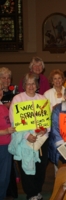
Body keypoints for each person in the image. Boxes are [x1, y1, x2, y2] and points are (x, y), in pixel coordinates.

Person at [9, 73, 49, 200]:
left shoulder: (42, 99)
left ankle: (37, 191)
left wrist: (45, 130)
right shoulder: (18, 99)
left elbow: (47, 119)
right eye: (28, 83)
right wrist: (27, 135)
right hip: (25, 139)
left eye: (33, 83)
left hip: (41, 139)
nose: (31, 86)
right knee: (27, 166)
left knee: (41, 167)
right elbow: (14, 120)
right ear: (24, 85)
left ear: (37, 85)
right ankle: (31, 194)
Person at [0, 67, 18, 199]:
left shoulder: (3, 106)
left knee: (5, 176)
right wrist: (5, 131)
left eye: (0, 90)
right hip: (1, 145)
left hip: (7, 145)